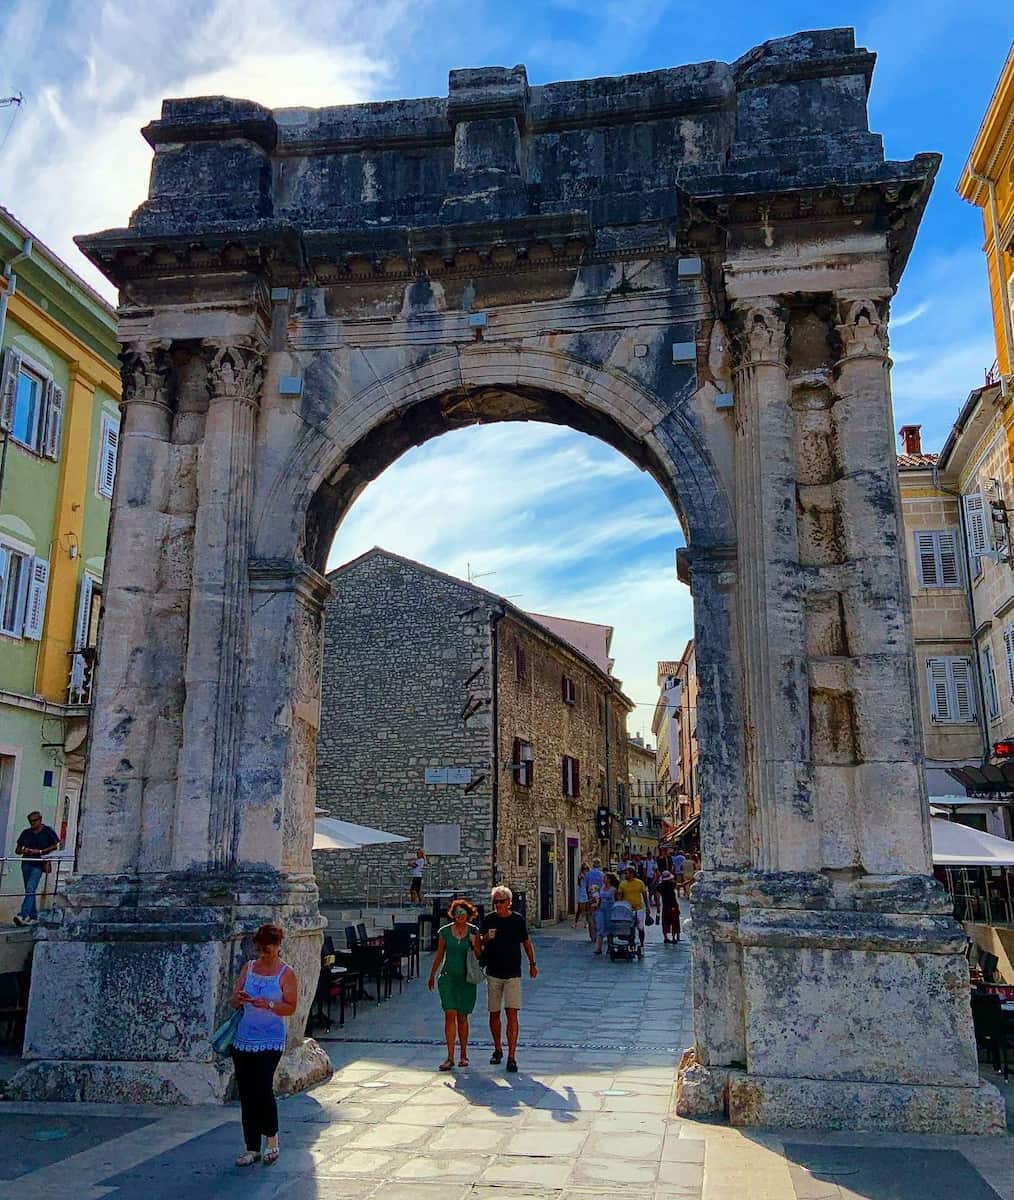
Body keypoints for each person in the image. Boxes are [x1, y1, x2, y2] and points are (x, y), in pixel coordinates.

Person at [229, 923, 298, 1167]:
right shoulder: (249, 968)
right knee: (247, 1093)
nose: (266, 952)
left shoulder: (285, 973)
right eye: (262, 948)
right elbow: (234, 999)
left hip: (270, 1039)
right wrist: (239, 999)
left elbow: (290, 1006)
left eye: (270, 947)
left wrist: (267, 1004)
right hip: (244, 1038)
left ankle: (272, 1139)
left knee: (262, 1089)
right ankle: (251, 1147)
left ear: (278, 946)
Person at [481, 886, 538, 1072]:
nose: (498, 905)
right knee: (494, 1013)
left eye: (501, 901)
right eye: (495, 902)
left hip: (513, 973)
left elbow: (526, 943)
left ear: (509, 902)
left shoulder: (517, 921)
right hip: (493, 972)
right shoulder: (489, 920)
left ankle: (512, 1055)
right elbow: (478, 944)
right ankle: (498, 1049)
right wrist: (485, 938)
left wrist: (532, 963)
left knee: (512, 1014)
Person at [427, 900, 482, 1070]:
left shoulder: (474, 931)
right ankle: (450, 1056)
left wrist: (474, 943)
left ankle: (464, 1055)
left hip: (466, 980)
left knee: (462, 1016)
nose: (460, 916)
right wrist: (432, 974)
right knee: (450, 1014)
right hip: (448, 978)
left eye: (463, 913)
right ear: (453, 914)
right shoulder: (444, 932)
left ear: (468, 915)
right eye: (457, 912)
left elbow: (480, 955)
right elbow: (439, 954)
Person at [13, 811, 60, 926]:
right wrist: (25, 850)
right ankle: (33, 916)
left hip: (39, 863)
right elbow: (17, 849)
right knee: (30, 890)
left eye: (34, 821)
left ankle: (23, 915)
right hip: (26, 862)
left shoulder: (48, 831)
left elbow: (56, 845)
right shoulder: (26, 833)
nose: (32, 823)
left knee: (30, 887)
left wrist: (42, 851)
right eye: (30, 821)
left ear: (40, 820)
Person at [616, 865, 649, 947]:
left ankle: (642, 943)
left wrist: (647, 907)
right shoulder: (622, 884)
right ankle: (631, 942)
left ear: (632, 874)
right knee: (630, 927)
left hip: (639, 908)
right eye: (625, 874)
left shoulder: (640, 883)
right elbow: (619, 897)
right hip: (627, 909)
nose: (625, 875)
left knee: (640, 927)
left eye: (627, 873)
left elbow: (644, 895)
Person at [593, 871, 619, 955]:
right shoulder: (602, 887)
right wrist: (597, 907)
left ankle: (610, 947)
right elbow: (600, 898)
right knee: (600, 928)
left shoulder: (614, 889)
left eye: (605, 877)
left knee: (609, 929)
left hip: (610, 910)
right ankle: (598, 948)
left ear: (609, 880)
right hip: (601, 910)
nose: (603, 879)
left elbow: (617, 900)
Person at [656, 869, 681, 943]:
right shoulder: (672, 884)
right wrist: (691, 880)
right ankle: (674, 938)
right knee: (675, 922)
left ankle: (666, 937)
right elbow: (681, 885)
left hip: (665, 906)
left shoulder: (659, 886)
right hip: (673, 905)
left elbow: (657, 898)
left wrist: (658, 908)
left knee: (665, 922)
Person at [573, 862, 590, 930]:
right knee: (580, 908)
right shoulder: (580, 875)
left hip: (587, 892)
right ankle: (576, 923)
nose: (585, 870)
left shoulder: (588, 875)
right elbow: (579, 883)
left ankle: (586, 922)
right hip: (582, 892)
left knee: (586, 908)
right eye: (584, 869)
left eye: (586, 868)